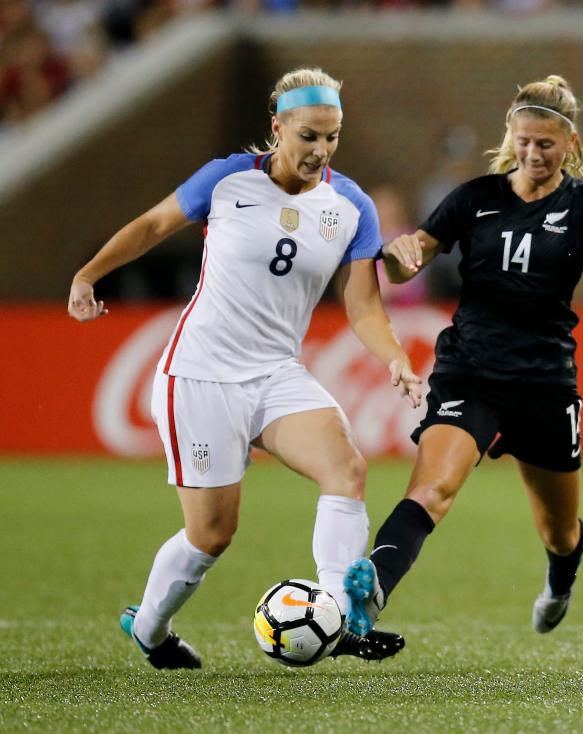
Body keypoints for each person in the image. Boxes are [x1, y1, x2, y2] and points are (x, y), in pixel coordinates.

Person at [66, 67, 423, 669]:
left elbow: (362, 304)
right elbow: (155, 224)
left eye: (332, 137)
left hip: (276, 371)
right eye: (309, 136)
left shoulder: (350, 204)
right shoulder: (229, 179)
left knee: (346, 468)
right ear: (278, 126)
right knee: (212, 534)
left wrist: (394, 359)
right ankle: (150, 629)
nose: (321, 151)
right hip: (201, 373)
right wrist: (87, 275)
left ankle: (339, 616)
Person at [340, 75, 583, 639]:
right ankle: (372, 586)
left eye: (545, 144)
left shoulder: (579, 204)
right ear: (510, 137)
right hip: (470, 371)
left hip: (545, 382)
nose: (532, 153)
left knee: (559, 531)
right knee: (432, 490)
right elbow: (410, 261)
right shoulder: (475, 198)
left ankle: (559, 583)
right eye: (522, 142)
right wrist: (397, 255)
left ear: (568, 144)